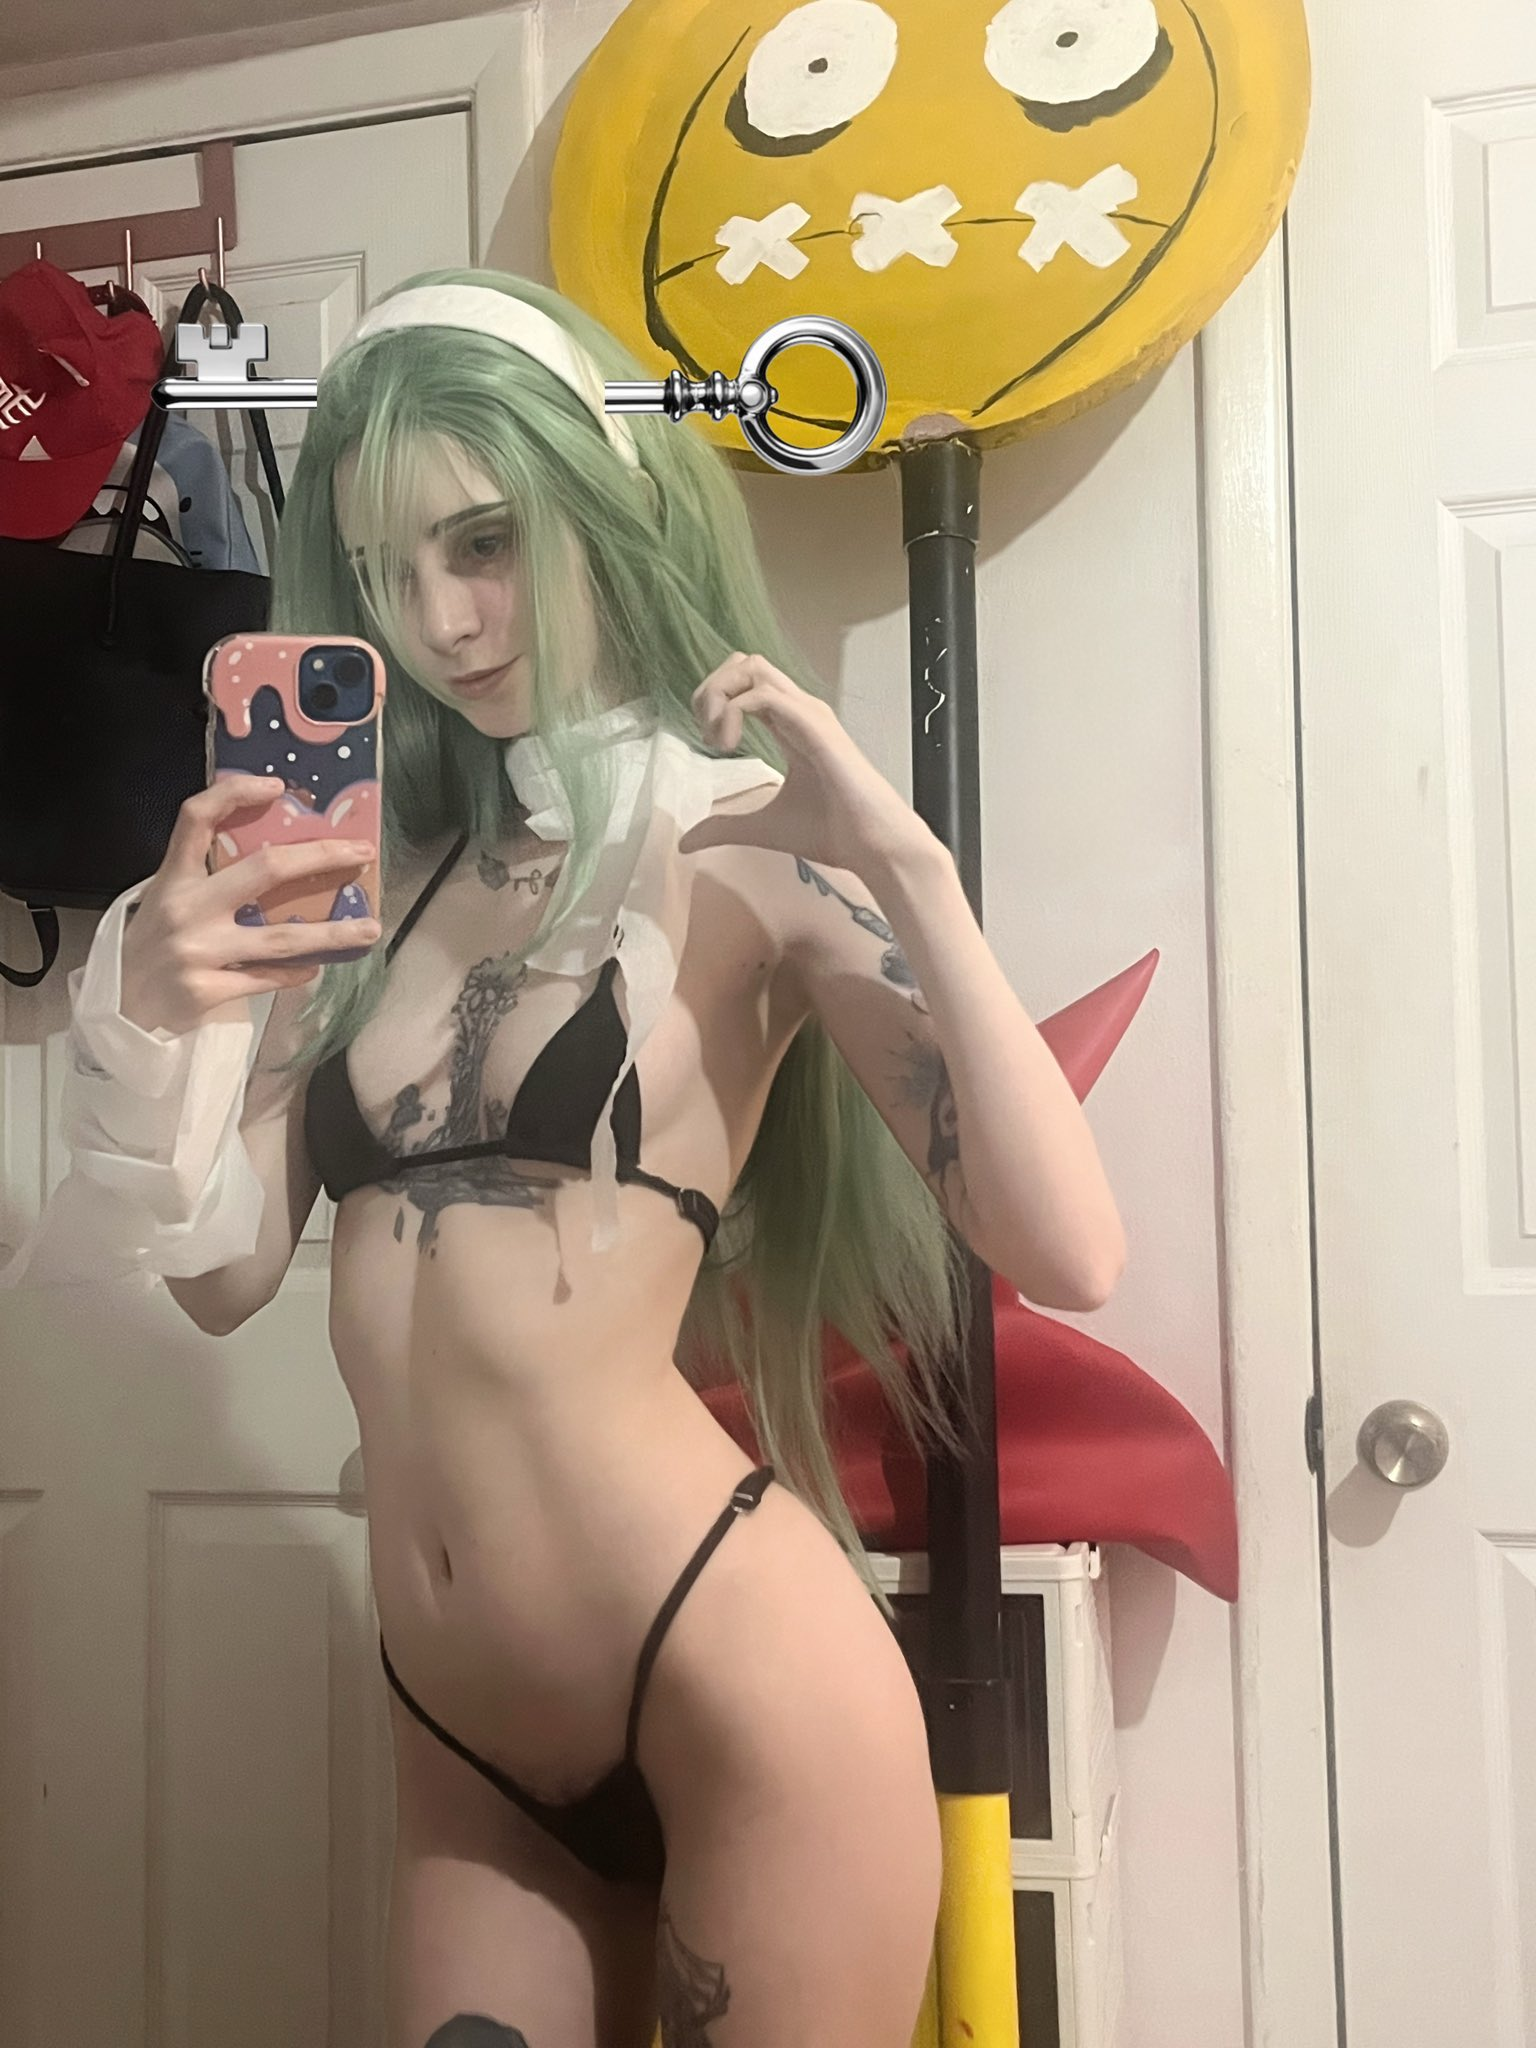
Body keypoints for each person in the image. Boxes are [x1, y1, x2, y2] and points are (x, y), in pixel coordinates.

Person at [28, 267, 1126, 2048]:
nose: (442, 622)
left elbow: (1068, 1249)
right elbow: (222, 1280)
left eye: (485, 542)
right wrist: (156, 1015)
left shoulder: (745, 843)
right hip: (460, 1732)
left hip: (734, 1675)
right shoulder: (365, 889)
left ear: (600, 498)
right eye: (388, 571)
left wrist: (911, 872)